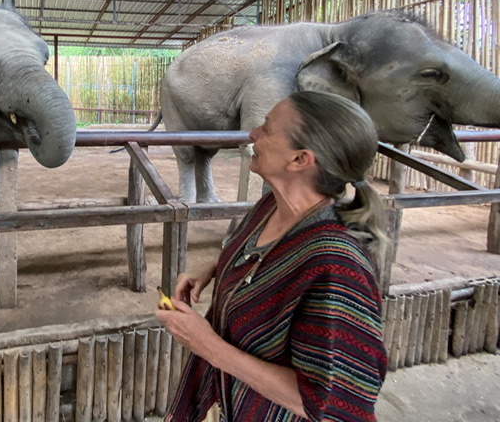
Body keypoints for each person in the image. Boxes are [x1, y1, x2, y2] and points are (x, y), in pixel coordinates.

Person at [156, 91, 388, 422]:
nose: (253, 135)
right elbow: (269, 264)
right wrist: (220, 269)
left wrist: (207, 345)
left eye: (266, 128)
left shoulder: (338, 268)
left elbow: (329, 403)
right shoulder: (270, 208)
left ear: (300, 160)